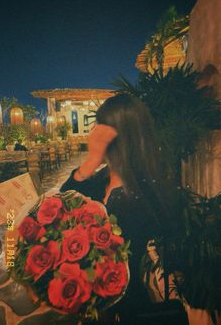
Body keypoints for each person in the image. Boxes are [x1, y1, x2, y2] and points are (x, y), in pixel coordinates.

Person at [60, 94, 185, 324]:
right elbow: (62, 204)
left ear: (119, 138)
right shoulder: (100, 179)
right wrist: (90, 163)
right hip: (98, 310)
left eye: (100, 129)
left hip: (136, 313)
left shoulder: (150, 193)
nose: (93, 136)